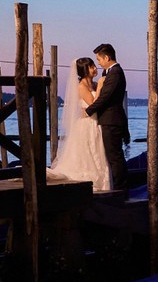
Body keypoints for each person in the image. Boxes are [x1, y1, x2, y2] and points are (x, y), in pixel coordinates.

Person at [46, 57, 112, 192]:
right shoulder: (81, 86)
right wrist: (100, 86)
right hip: (86, 124)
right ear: (84, 70)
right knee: (88, 155)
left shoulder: (93, 85)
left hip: (96, 123)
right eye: (92, 66)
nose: (95, 68)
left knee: (100, 154)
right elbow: (93, 103)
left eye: (94, 65)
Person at [86, 43, 129, 191]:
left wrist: (87, 111)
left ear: (107, 57)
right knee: (113, 156)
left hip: (112, 120)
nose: (98, 63)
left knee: (114, 157)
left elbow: (105, 97)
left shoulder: (115, 73)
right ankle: (118, 187)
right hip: (109, 119)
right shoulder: (110, 73)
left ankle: (120, 189)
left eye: (99, 59)